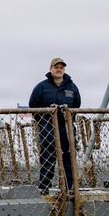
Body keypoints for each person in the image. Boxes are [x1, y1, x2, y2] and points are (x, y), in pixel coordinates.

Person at [28, 57, 82, 195]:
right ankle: (44, 187)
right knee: (47, 157)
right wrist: (44, 121)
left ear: (64, 70)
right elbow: (33, 106)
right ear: (50, 69)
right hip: (48, 127)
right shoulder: (42, 87)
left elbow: (76, 104)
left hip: (66, 128)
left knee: (69, 157)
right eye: (56, 67)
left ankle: (70, 187)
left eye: (61, 67)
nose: (59, 69)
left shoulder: (72, 87)